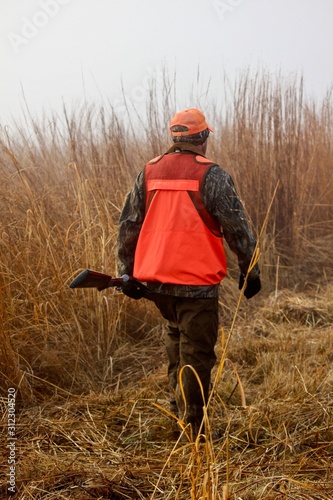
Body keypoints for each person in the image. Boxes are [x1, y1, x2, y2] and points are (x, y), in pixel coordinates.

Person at [117, 108, 261, 437]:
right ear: (203, 138)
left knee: (176, 343)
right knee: (196, 355)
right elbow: (238, 228)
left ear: (175, 138)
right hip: (196, 287)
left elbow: (127, 226)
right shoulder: (212, 175)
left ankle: (179, 414)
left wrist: (126, 273)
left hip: (157, 284)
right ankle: (193, 432)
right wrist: (249, 270)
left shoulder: (149, 171)